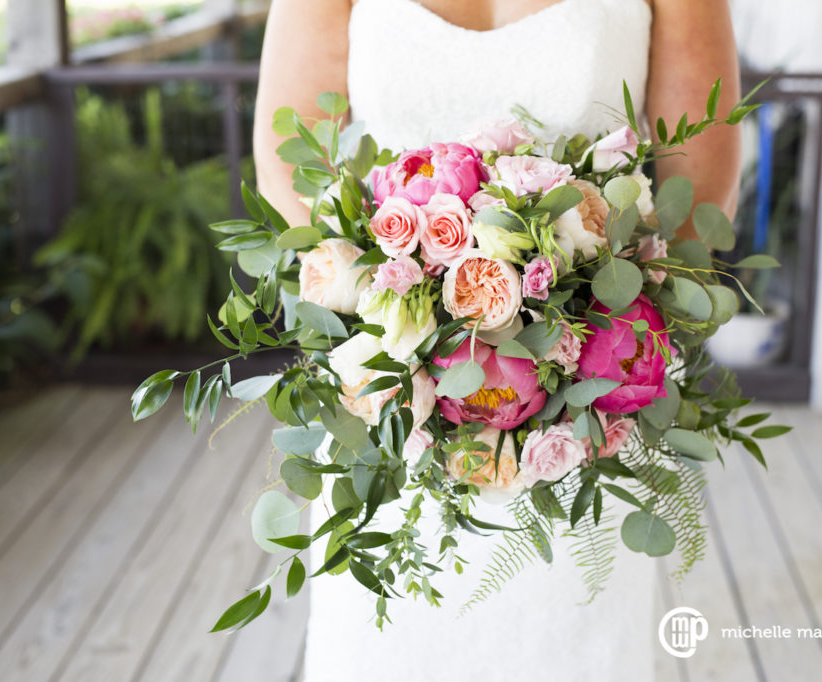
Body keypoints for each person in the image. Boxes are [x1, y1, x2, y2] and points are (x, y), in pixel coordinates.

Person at [253, 1, 741, 678]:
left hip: (584, 419)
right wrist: (404, 328)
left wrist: (568, 348)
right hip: (392, 402)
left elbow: (700, 185)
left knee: (574, 638)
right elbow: (291, 160)